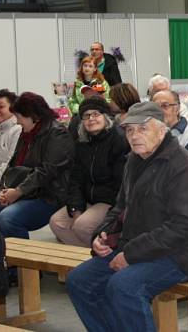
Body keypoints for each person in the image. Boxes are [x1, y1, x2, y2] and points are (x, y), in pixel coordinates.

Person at [66, 101, 188, 332]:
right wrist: (102, 235)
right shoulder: (135, 160)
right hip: (138, 246)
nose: (134, 136)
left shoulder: (184, 167)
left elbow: (183, 227)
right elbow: (120, 206)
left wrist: (131, 255)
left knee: (123, 286)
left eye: (142, 128)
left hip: (182, 253)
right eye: (130, 130)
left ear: (162, 130)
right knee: (79, 281)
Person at [0, 92, 74, 240]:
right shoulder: (26, 133)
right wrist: (3, 190)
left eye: (19, 117)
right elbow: (13, 164)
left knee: (8, 217)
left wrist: (18, 192)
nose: (17, 122)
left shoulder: (57, 134)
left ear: (33, 116)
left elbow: (46, 172)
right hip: (26, 191)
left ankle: (19, 259)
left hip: (49, 195)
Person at [50, 97, 129, 247]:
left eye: (96, 114)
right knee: (57, 222)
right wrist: (76, 208)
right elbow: (75, 179)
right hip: (87, 199)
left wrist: (109, 211)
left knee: (82, 226)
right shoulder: (82, 143)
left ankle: (104, 259)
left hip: (109, 201)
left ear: (106, 117)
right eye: (86, 116)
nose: (91, 119)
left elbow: (121, 184)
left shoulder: (119, 140)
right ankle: (86, 259)